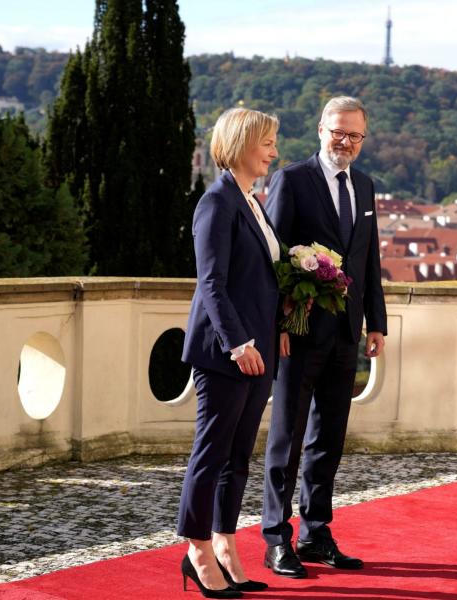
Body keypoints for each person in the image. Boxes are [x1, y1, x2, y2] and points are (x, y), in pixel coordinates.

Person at [262, 96, 387, 577]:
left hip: (345, 334)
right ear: (320, 130)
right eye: (339, 132)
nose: (346, 142)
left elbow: (367, 261)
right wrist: (276, 326)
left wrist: (376, 322)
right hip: (297, 331)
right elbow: (273, 258)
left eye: (355, 135)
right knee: (286, 439)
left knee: (328, 438)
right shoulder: (292, 180)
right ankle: (277, 538)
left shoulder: (366, 185)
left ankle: (316, 533)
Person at [177, 107, 282, 598]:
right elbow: (212, 284)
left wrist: (275, 330)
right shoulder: (217, 202)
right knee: (212, 452)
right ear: (242, 143)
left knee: (238, 457)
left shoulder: (252, 201)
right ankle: (195, 548)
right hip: (227, 353)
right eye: (268, 142)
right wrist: (238, 343)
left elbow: (260, 281)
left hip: (261, 350)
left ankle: (224, 542)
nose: (274, 151)